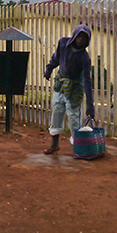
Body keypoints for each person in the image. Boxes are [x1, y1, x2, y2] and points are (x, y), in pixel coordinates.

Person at [43, 25, 95, 155]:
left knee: (73, 117)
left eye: (84, 38)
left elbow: (87, 81)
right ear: (74, 36)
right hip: (61, 84)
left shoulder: (84, 58)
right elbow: (56, 58)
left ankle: (78, 148)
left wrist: (90, 105)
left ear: (87, 41)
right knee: (57, 111)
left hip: (75, 88)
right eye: (79, 36)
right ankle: (54, 144)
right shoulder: (63, 43)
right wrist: (49, 69)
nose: (80, 40)